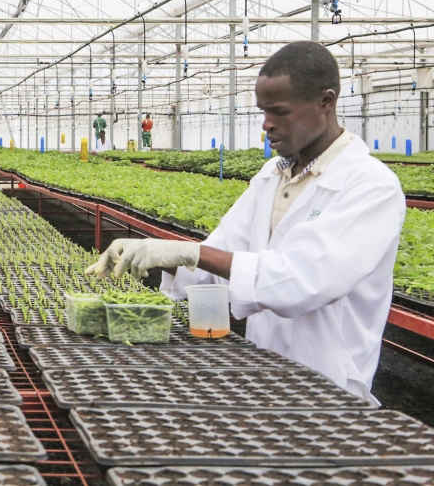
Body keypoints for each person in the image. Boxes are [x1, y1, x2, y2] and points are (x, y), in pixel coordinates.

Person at [85, 42, 404, 402]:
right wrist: (164, 256)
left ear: (325, 102)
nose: (267, 124)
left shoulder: (369, 185)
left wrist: (188, 252)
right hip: (263, 371)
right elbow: (221, 251)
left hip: (330, 383)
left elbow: (301, 281)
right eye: (263, 111)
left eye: (279, 112)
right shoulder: (273, 174)